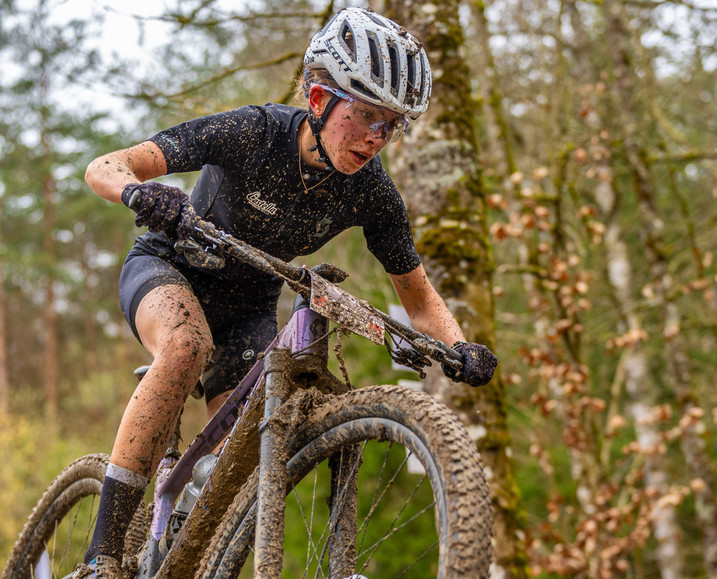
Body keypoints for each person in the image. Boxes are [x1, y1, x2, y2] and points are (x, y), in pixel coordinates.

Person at [75, 7, 497, 578]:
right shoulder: (252, 132)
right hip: (171, 269)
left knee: (237, 462)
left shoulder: (373, 193)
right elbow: (106, 165)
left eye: (391, 125)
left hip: (250, 305)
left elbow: (419, 299)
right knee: (185, 345)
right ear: (319, 99)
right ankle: (100, 557)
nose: (376, 138)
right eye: (366, 115)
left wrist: (459, 347)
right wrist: (141, 194)